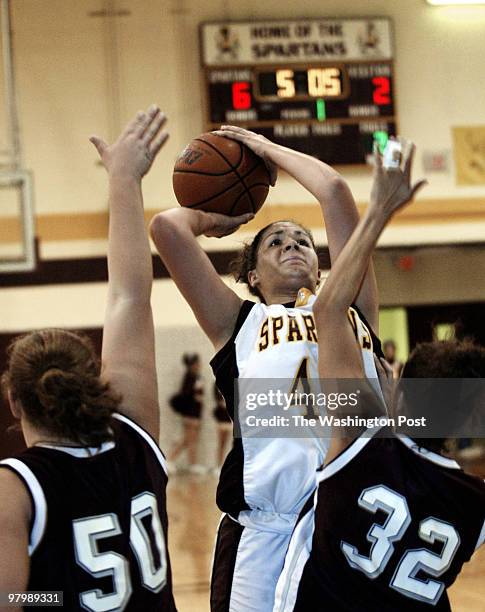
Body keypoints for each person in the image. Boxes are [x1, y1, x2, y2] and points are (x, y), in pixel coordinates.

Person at [150, 125, 383, 611]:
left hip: (356, 523)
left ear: (323, 269)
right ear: (252, 275)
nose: (293, 244)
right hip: (267, 530)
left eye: (302, 241)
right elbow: (167, 227)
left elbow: (335, 192)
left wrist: (267, 151)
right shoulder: (239, 323)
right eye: (275, 242)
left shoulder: (351, 309)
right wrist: (226, 214)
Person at [274, 140, 485, 611]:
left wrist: (381, 210)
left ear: (399, 390)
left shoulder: (360, 440)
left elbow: (329, 310)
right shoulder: (475, 501)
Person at [0, 106, 177, 611]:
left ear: (14, 400)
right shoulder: (136, 432)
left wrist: (54, 594)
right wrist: (124, 179)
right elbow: (129, 296)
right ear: (93, 379)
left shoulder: (15, 486)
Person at [169, 353, 205, 473]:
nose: (200, 365)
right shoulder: (190, 377)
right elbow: (187, 394)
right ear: (193, 364)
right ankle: (170, 459)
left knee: (190, 440)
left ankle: (192, 464)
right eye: (198, 363)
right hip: (190, 413)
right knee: (188, 439)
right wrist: (196, 396)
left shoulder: (196, 376)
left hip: (195, 413)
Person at [212, 383, 232, 473]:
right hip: (221, 418)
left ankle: (226, 466)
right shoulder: (216, 384)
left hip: (229, 419)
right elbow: (216, 398)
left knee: (230, 444)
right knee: (221, 443)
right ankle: (218, 466)